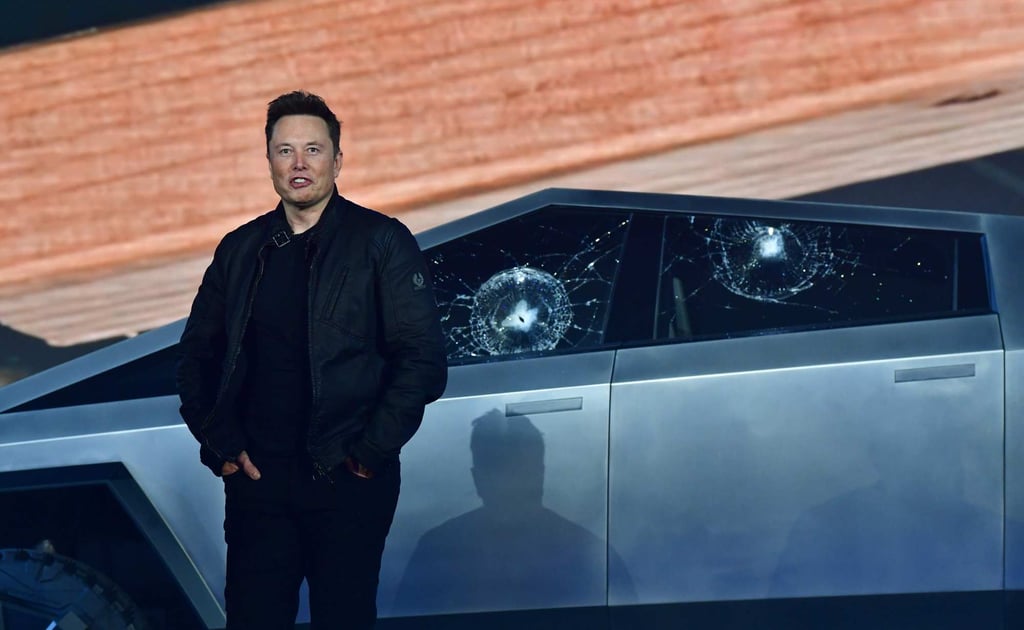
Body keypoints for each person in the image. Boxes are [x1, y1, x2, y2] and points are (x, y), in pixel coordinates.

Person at [176, 90, 448, 629]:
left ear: (337, 161)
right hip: (258, 485)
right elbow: (196, 358)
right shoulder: (239, 249)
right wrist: (221, 446)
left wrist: (368, 454)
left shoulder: (382, 242)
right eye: (285, 151)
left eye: (313, 150)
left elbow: (422, 361)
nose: (298, 163)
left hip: (349, 482)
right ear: (269, 162)